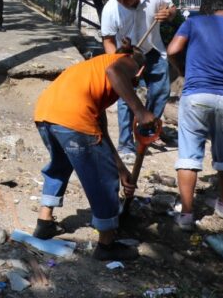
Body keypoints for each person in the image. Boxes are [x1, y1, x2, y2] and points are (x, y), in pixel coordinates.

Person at [33, 49, 155, 261]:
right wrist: (140, 111)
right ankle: (106, 245)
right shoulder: (124, 63)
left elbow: (101, 132)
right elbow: (114, 71)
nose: (136, 82)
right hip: (73, 117)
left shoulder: (92, 71)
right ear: (141, 70)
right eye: (139, 78)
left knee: (60, 165)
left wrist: (121, 168)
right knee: (103, 179)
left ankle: (44, 222)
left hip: (45, 114)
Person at [167, 1, 223, 231]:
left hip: (196, 96)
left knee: (189, 155)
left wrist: (182, 70)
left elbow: (172, 50)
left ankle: (187, 215)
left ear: (212, 13)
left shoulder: (193, 22)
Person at [101, 0, 176, 164]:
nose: (125, 5)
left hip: (153, 50)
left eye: (129, 2)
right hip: (126, 56)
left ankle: (146, 133)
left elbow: (172, 8)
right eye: (121, 2)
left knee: (161, 92)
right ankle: (125, 145)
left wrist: (168, 14)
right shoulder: (111, 9)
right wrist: (116, 65)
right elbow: (108, 40)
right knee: (126, 98)